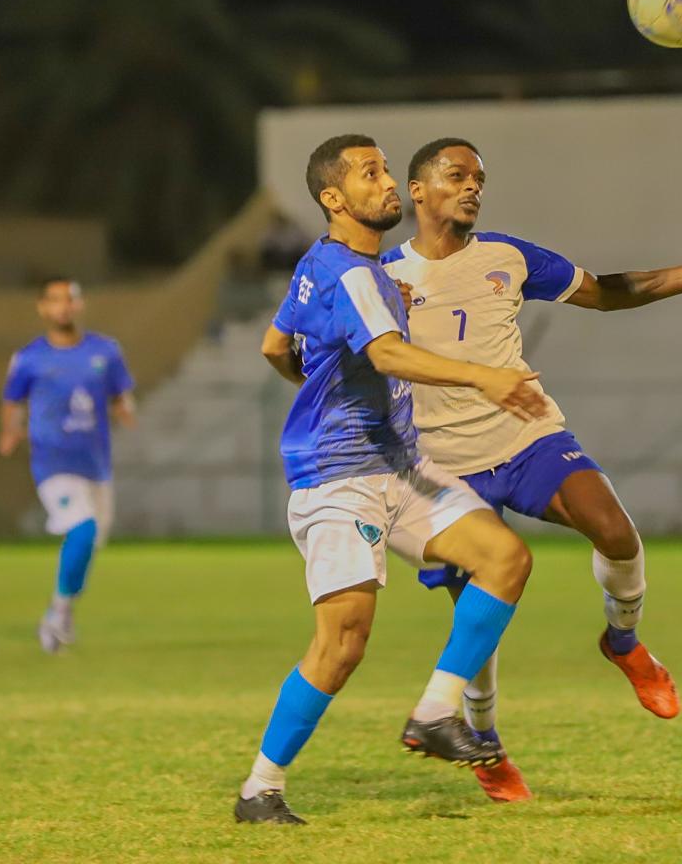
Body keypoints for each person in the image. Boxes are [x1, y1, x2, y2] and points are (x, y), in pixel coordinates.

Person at [381, 137, 682, 802]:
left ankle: (624, 642)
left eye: (479, 178)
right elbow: (331, 357)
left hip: (526, 436)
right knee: (478, 619)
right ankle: (485, 742)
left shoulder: (508, 256)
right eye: (457, 175)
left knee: (614, 529)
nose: (472, 187)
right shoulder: (380, 277)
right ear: (417, 189)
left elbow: (608, 292)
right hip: (441, 464)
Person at [235, 135, 550, 825]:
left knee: (504, 559)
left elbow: (274, 344)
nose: (385, 182)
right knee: (341, 646)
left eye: (383, 170)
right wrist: (485, 377)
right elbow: (386, 354)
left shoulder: (330, 266)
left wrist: (318, 372)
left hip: (399, 467)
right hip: (340, 479)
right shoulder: (353, 275)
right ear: (333, 198)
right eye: (369, 173)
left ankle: (435, 712)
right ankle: (260, 789)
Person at [0, 278, 136, 653]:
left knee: (89, 541)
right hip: (52, 461)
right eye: (55, 300)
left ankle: (63, 609)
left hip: (95, 464)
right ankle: (57, 612)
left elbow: (120, 393)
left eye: (69, 299)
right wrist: (11, 430)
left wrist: (125, 409)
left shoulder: (105, 351)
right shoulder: (29, 358)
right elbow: (13, 399)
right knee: (83, 529)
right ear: (43, 308)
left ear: (79, 305)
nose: (63, 307)